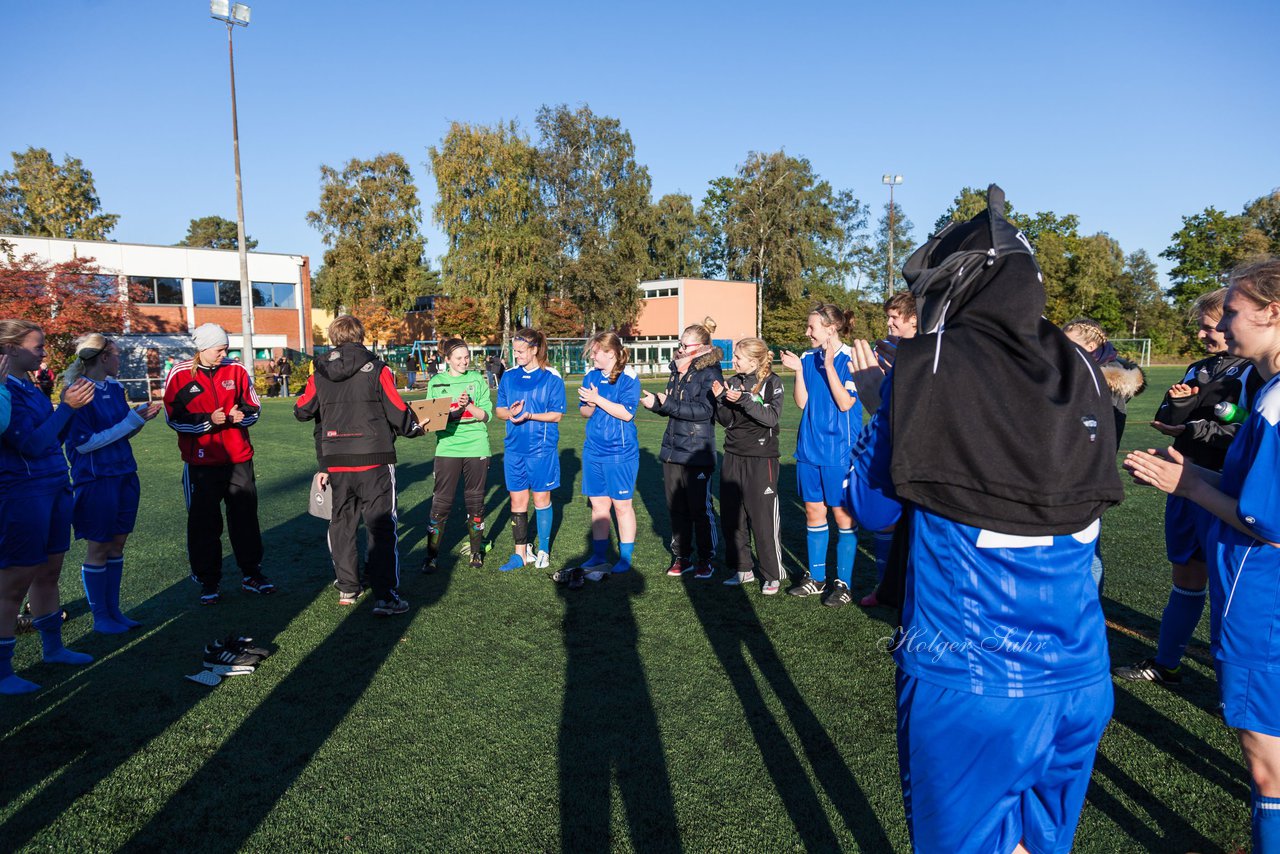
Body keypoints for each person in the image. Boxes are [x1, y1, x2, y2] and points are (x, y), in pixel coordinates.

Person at [845, 187, 1123, 853]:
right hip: (1081, 676)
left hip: (973, 683)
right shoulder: (1081, 367)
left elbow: (872, 509)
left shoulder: (923, 369)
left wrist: (878, 405)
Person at [1124, 258, 1280, 853]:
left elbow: (1270, 522)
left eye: (1233, 311)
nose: (1222, 322)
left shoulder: (1270, 400)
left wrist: (1188, 487)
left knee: (1267, 766)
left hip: (1262, 595)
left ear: (1270, 312)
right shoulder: (1261, 388)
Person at [1115, 288, 1262, 685]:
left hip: (1224, 491)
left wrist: (1194, 428)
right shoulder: (1199, 366)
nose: (1203, 335)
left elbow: (1246, 431)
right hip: (1186, 483)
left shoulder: (1255, 371)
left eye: (1210, 325)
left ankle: (1232, 681)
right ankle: (1167, 664)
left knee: (1230, 587)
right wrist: (1178, 413)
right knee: (1186, 575)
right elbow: (1169, 412)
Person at [294, 316, 422, 616]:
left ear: (333, 336)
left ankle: (348, 587)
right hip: (373, 457)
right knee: (380, 525)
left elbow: (301, 409)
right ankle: (386, 596)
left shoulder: (319, 371)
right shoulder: (377, 368)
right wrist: (416, 426)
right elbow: (398, 411)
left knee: (341, 524)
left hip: (337, 460)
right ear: (361, 335)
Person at [1, 320, 98, 695]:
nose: (44, 353)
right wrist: (67, 407)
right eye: (37, 346)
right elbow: (32, 445)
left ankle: (54, 648)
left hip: (55, 486)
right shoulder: (5, 390)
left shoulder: (30, 384)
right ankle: (3, 672)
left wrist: (67, 408)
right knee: (12, 584)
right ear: (9, 349)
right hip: (23, 493)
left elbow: (53, 437)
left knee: (49, 572)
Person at [163, 323, 273, 605]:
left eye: (226, 348)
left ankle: (252, 574)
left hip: (239, 458)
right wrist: (207, 422)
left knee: (245, 520)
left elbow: (254, 407)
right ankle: (208, 581)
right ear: (202, 348)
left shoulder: (236, 371)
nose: (224, 353)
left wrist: (241, 416)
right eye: (219, 349)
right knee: (204, 524)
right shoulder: (180, 375)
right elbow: (173, 417)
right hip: (200, 463)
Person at [62, 334, 162, 634]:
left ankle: (114, 611)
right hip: (96, 480)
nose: (121, 360)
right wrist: (131, 421)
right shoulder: (77, 392)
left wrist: (139, 419)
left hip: (124, 474)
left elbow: (122, 433)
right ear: (104, 357)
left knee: (117, 545)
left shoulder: (115, 389)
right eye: (117, 355)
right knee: (99, 547)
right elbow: (83, 445)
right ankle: (101, 617)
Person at [779, 304, 863, 607]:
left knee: (842, 516)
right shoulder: (806, 358)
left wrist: (828, 365)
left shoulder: (850, 358)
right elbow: (802, 403)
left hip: (839, 452)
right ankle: (816, 578)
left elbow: (845, 404)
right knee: (814, 513)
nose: (807, 332)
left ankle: (844, 584)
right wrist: (801, 371)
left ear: (830, 329)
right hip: (808, 449)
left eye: (811, 327)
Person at [1062, 317, 1146, 591]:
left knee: (1086, 548)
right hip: (1077, 471)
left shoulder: (1101, 381)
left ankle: (1088, 608)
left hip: (1086, 474)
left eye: (1070, 342)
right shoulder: (1089, 374)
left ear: (1091, 345)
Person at [641, 317, 724, 580]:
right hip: (672, 448)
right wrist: (656, 404)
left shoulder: (710, 372)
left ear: (701, 348)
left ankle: (706, 559)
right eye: (680, 344)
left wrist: (667, 405)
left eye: (685, 346)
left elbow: (705, 411)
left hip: (697, 450)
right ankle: (682, 556)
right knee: (676, 507)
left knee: (700, 508)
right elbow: (673, 406)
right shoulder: (678, 370)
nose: (680, 349)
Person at [711, 337, 785, 594]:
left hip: (761, 458)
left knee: (762, 518)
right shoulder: (733, 381)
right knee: (733, 516)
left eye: (738, 358)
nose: (734, 361)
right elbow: (726, 421)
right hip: (733, 455)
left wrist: (744, 400)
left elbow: (770, 418)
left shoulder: (773, 383)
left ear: (753, 360)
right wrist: (720, 399)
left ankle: (772, 574)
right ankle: (743, 569)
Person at [568, 332, 641, 590]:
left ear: (610, 352)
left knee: (622, 506)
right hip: (593, 451)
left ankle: (625, 556)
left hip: (620, 452)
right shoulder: (590, 376)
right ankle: (599, 555)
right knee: (599, 506)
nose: (592, 355)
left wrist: (598, 399)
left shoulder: (629, 377)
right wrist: (590, 402)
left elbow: (626, 413)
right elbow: (584, 411)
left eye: (596, 351)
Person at [861, 292, 920, 608]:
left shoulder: (932, 357)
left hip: (921, 459)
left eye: (894, 318)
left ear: (914, 319)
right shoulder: (892, 355)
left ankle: (907, 592)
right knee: (894, 525)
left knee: (916, 531)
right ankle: (888, 587)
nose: (887, 324)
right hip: (894, 450)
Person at [495, 328, 565, 572]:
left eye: (521, 351)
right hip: (514, 449)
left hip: (541, 449)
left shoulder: (552, 377)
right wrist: (511, 413)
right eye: (514, 351)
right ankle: (520, 553)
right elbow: (499, 411)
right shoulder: (509, 376)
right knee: (517, 500)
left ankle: (543, 549)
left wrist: (530, 415)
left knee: (541, 498)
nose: (517, 356)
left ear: (535, 349)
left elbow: (557, 415)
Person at [422, 339, 493, 571]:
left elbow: (486, 416)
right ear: (447, 360)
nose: (464, 361)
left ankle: (476, 553)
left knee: (475, 502)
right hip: (447, 448)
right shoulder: (436, 382)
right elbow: (430, 421)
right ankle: (431, 557)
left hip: (477, 447)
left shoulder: (476, 379)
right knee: (440, 505)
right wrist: (453, 411)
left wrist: (469, 406)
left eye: (467, 357)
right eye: (459, 358)